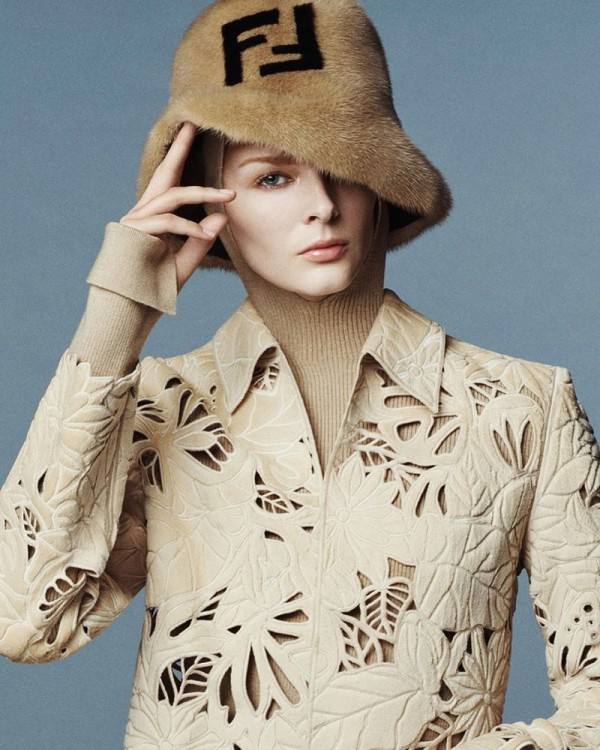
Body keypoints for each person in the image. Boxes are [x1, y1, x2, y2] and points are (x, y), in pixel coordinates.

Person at [1, 1, 599, 748]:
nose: (320, 207)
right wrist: (117, 312)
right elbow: (25, 621)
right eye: (273, 177)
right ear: (205, 199)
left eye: (344, 166)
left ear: (382, 185)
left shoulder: (523, 408)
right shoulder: (159, 406)